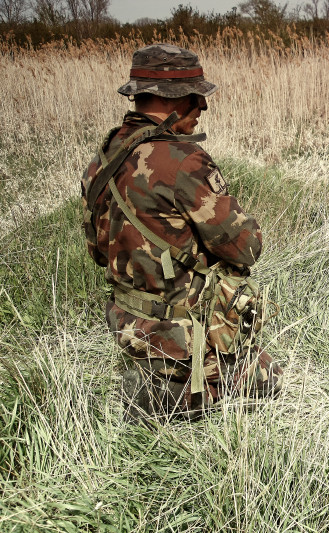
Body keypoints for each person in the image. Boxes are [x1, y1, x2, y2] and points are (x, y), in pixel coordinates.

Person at [81, 43, 282, 421]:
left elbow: (97, 251)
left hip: (127, 329)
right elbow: (247, 248)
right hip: (181, 342)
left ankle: (151, 389)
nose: (202, 107)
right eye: (196, 97)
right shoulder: (184, 162)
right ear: (175, 99)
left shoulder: (104, 157)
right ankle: (176, 400)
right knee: (271, 380)